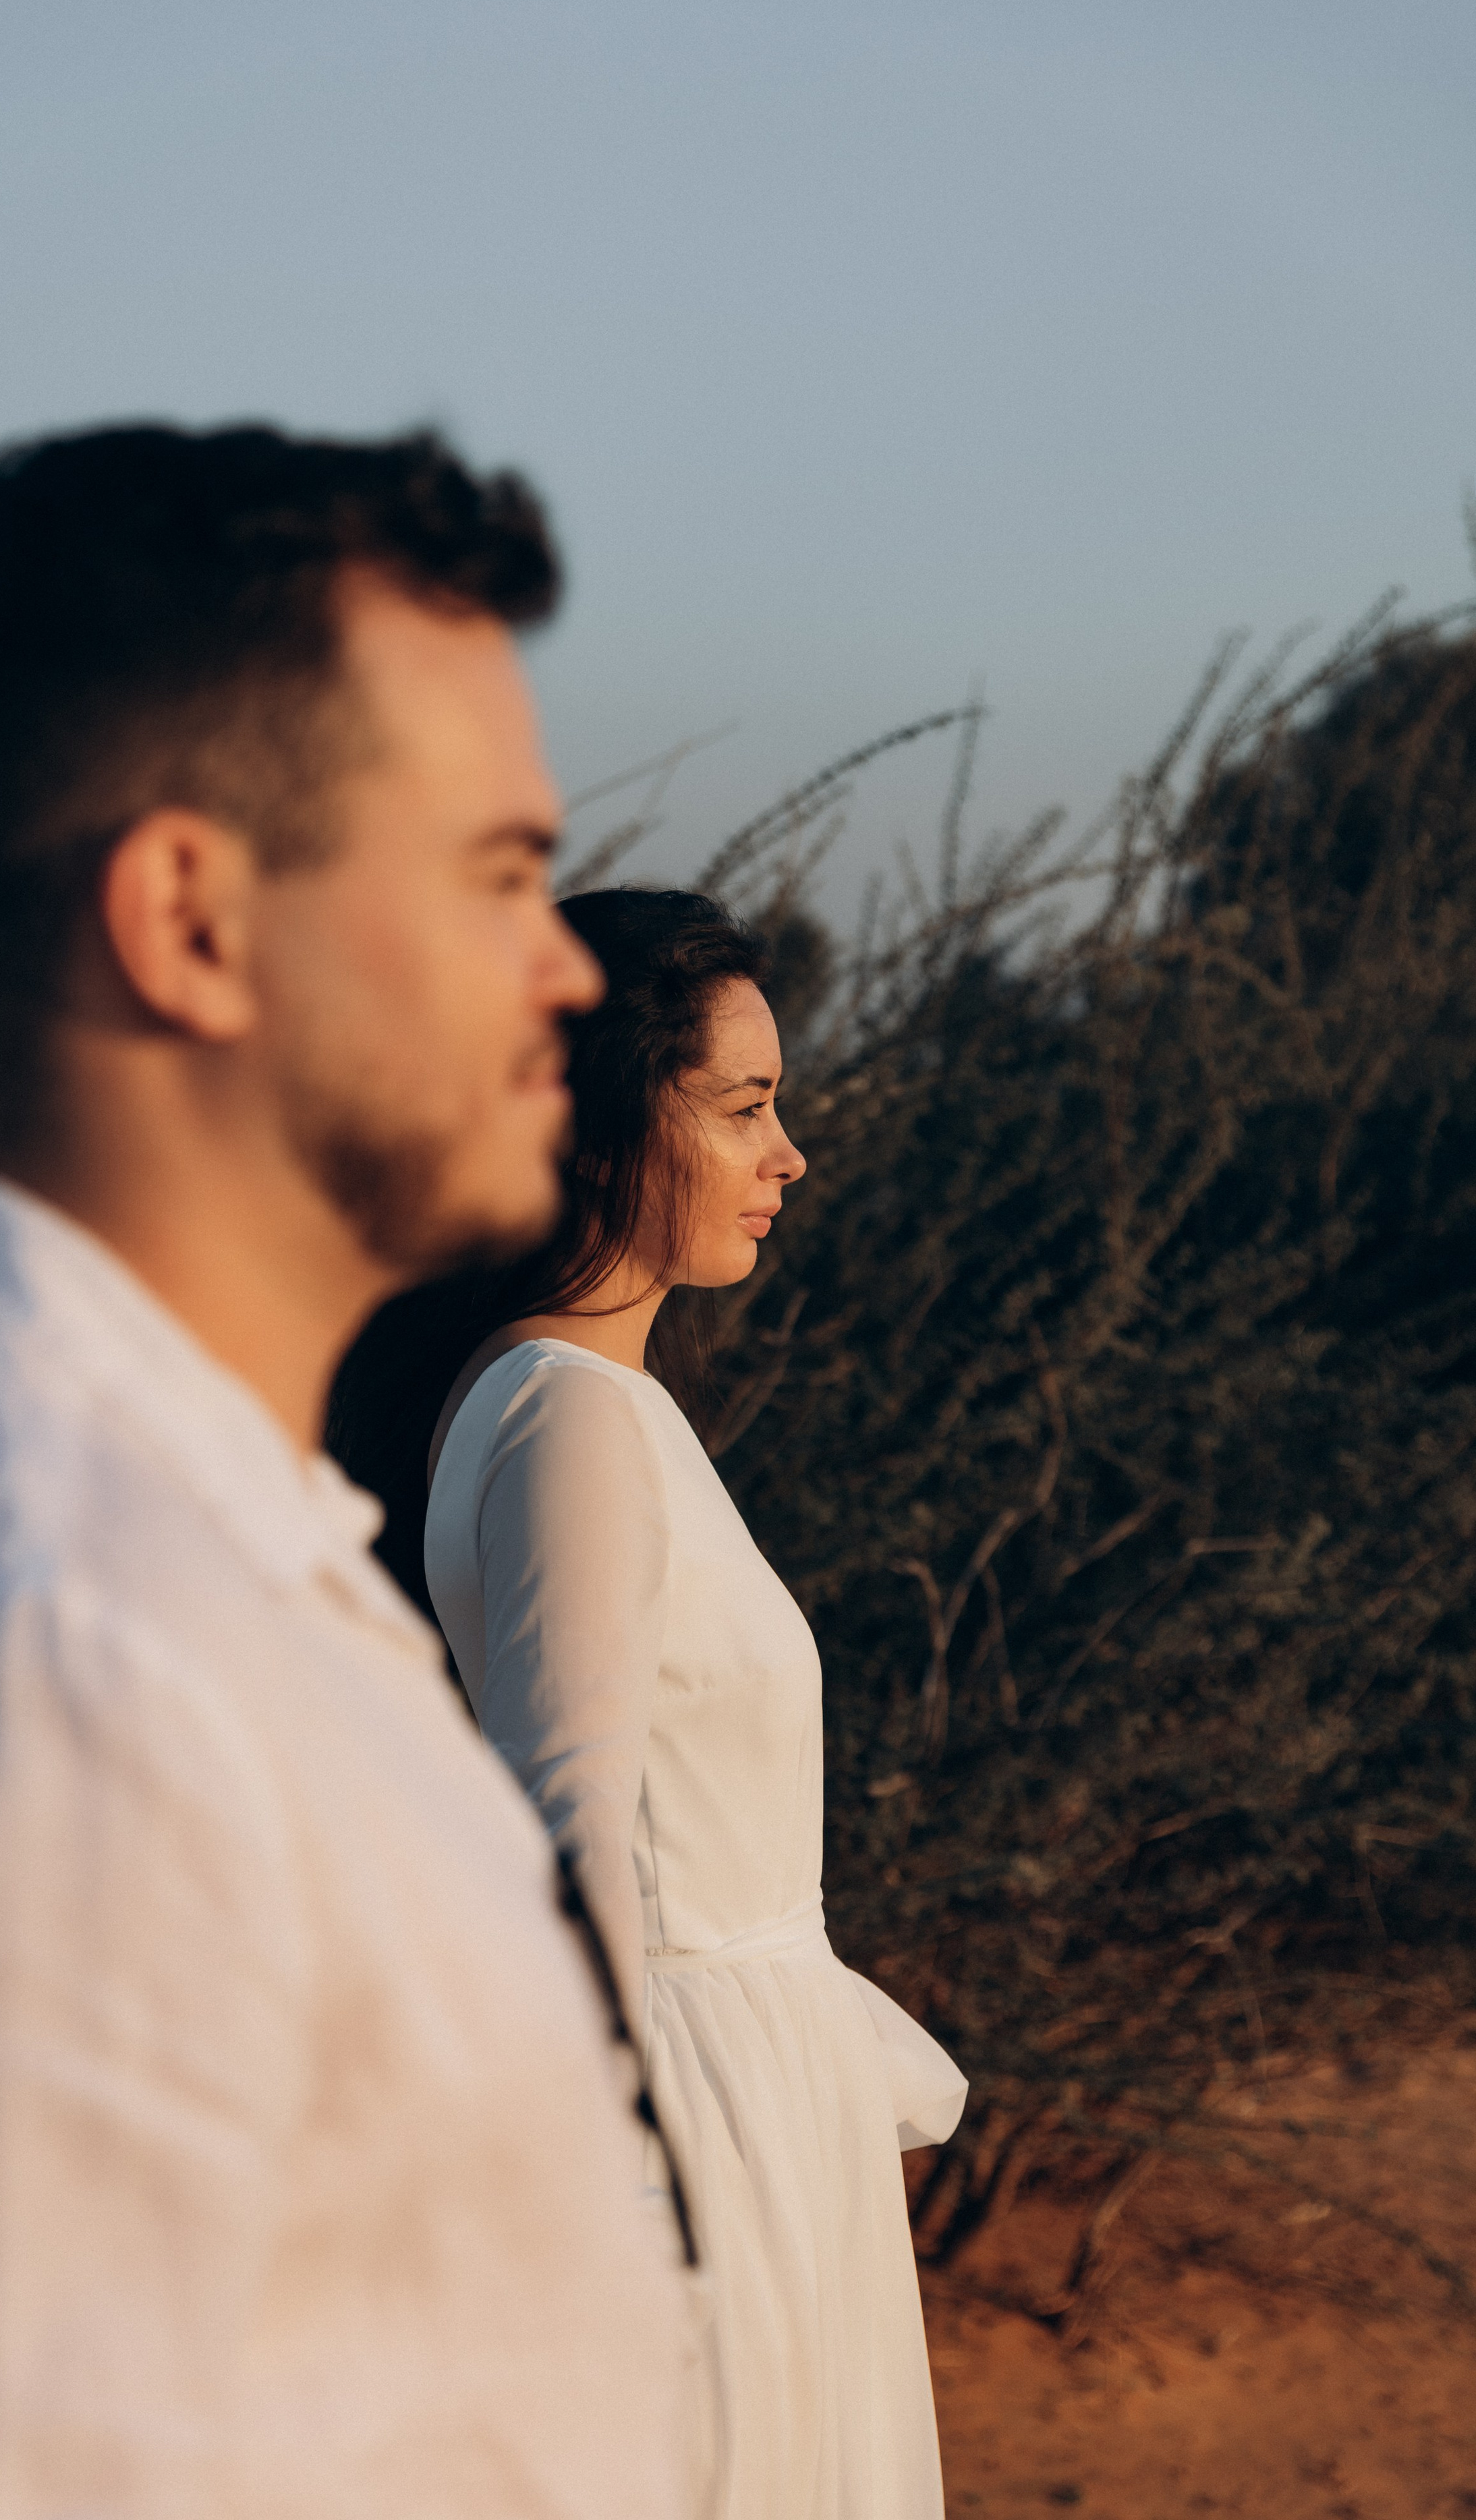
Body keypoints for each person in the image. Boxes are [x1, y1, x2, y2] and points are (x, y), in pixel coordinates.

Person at [0, 426, 700, 2517]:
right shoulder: (47, 1688)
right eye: (494, 874)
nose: (563, 965)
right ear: (188, 918)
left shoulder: (190, 1561)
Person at [333, 887, 968, 2520]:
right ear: (602, 1120)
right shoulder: (568, 1423)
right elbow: (565, 1854)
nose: (789, 1154)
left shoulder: (594, 1407)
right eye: (744, 1106)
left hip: (757, 2103)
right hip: (700, 2137)